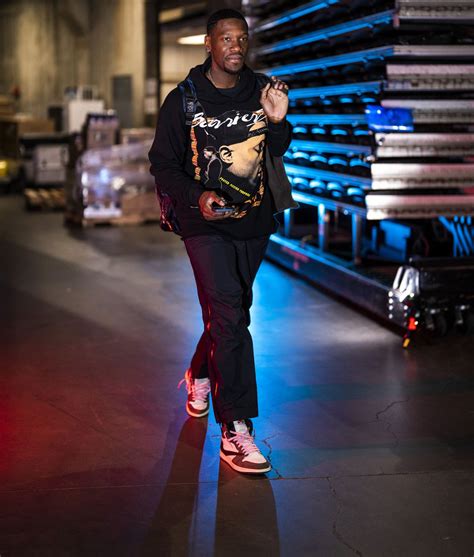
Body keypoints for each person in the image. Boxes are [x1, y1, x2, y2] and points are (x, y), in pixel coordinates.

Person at [148, 8, 292, 475]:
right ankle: (235, 430)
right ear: (209, 44)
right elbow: (162, 165)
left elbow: (277, 148)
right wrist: (198, 196)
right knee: (229, 314)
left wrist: (277, 121)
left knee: (232, 312)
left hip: (254, 220)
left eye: (242, 38)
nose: (235, 46)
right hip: (203, 224)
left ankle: (199, 371)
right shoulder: (183, 99)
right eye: (226, 38)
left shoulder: (261, 89)